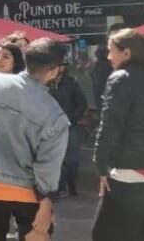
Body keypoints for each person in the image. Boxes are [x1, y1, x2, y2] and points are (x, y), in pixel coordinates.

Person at [0, 38, 70, 241]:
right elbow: (48, 166)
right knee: (37, 235)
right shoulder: (55, 116)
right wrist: (46, 204)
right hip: (27, 191)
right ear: (54, 71)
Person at [92, 28, 144, 241]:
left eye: (112, 51)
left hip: (131, 171)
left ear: (127, 53)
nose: (109, 57)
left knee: (106, 234)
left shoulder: (120, 78)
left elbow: (109, 126)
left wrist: (101, 166)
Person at [49, 63, 87, 197]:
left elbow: (82, 103)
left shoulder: (71, 83)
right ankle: (61, 186)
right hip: (51, 127)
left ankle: (70, 182)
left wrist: (72, 119)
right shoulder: (46, 83)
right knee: (55, 159)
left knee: (72, 160)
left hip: (69, 126)